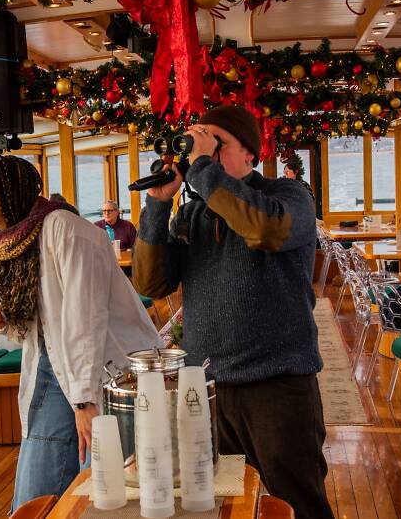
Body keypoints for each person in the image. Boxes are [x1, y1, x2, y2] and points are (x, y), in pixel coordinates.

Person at [132, 105, 333, 519]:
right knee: (225, 502)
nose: (201, 155)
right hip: (207, 389)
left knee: (296, 502)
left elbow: (264, 229)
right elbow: (151, 284)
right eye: (198, 145)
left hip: (277, 387)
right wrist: (156, 206)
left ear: (250, 155)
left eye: (215, 144)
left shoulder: (288, 196)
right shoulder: (192, 214)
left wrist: (203, 168)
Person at [0, 154, 161, 511]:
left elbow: (86, 319)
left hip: (107, 374)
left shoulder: (65, 228)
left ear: (10, 188)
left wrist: (84, 401)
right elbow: (46, 329)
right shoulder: (14, 243)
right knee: (36, 492)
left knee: (104, 490)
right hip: (56, 372)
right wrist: (1, 322)